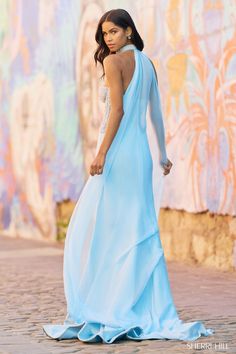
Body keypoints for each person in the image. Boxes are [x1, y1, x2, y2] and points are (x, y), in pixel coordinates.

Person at [42, 8, 214, 344]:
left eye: (113, 32)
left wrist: (102, 152)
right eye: (104, 34)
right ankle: (136, 304)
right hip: (142, 158)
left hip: (119, 155)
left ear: (129, 32)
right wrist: (162, 155)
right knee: (137, 229)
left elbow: (117, 111)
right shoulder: (148, 64)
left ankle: (111, 304)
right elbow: (156, 113)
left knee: (102, 230)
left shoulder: (113, 62)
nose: (108, 39)